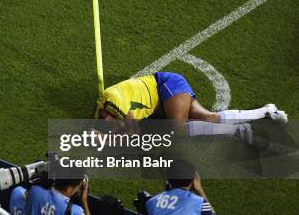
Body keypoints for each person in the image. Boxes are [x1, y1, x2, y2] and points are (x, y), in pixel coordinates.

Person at [95, 72, 287, 142]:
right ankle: (266, 111)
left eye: (108, 120)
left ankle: (235, 131)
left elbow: (133, 130)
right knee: (210, 117)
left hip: (166, 88)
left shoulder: (112, 101)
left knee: (178, 129)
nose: (110, 121)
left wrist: (108, 137)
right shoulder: (104, 110)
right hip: (165, 96)